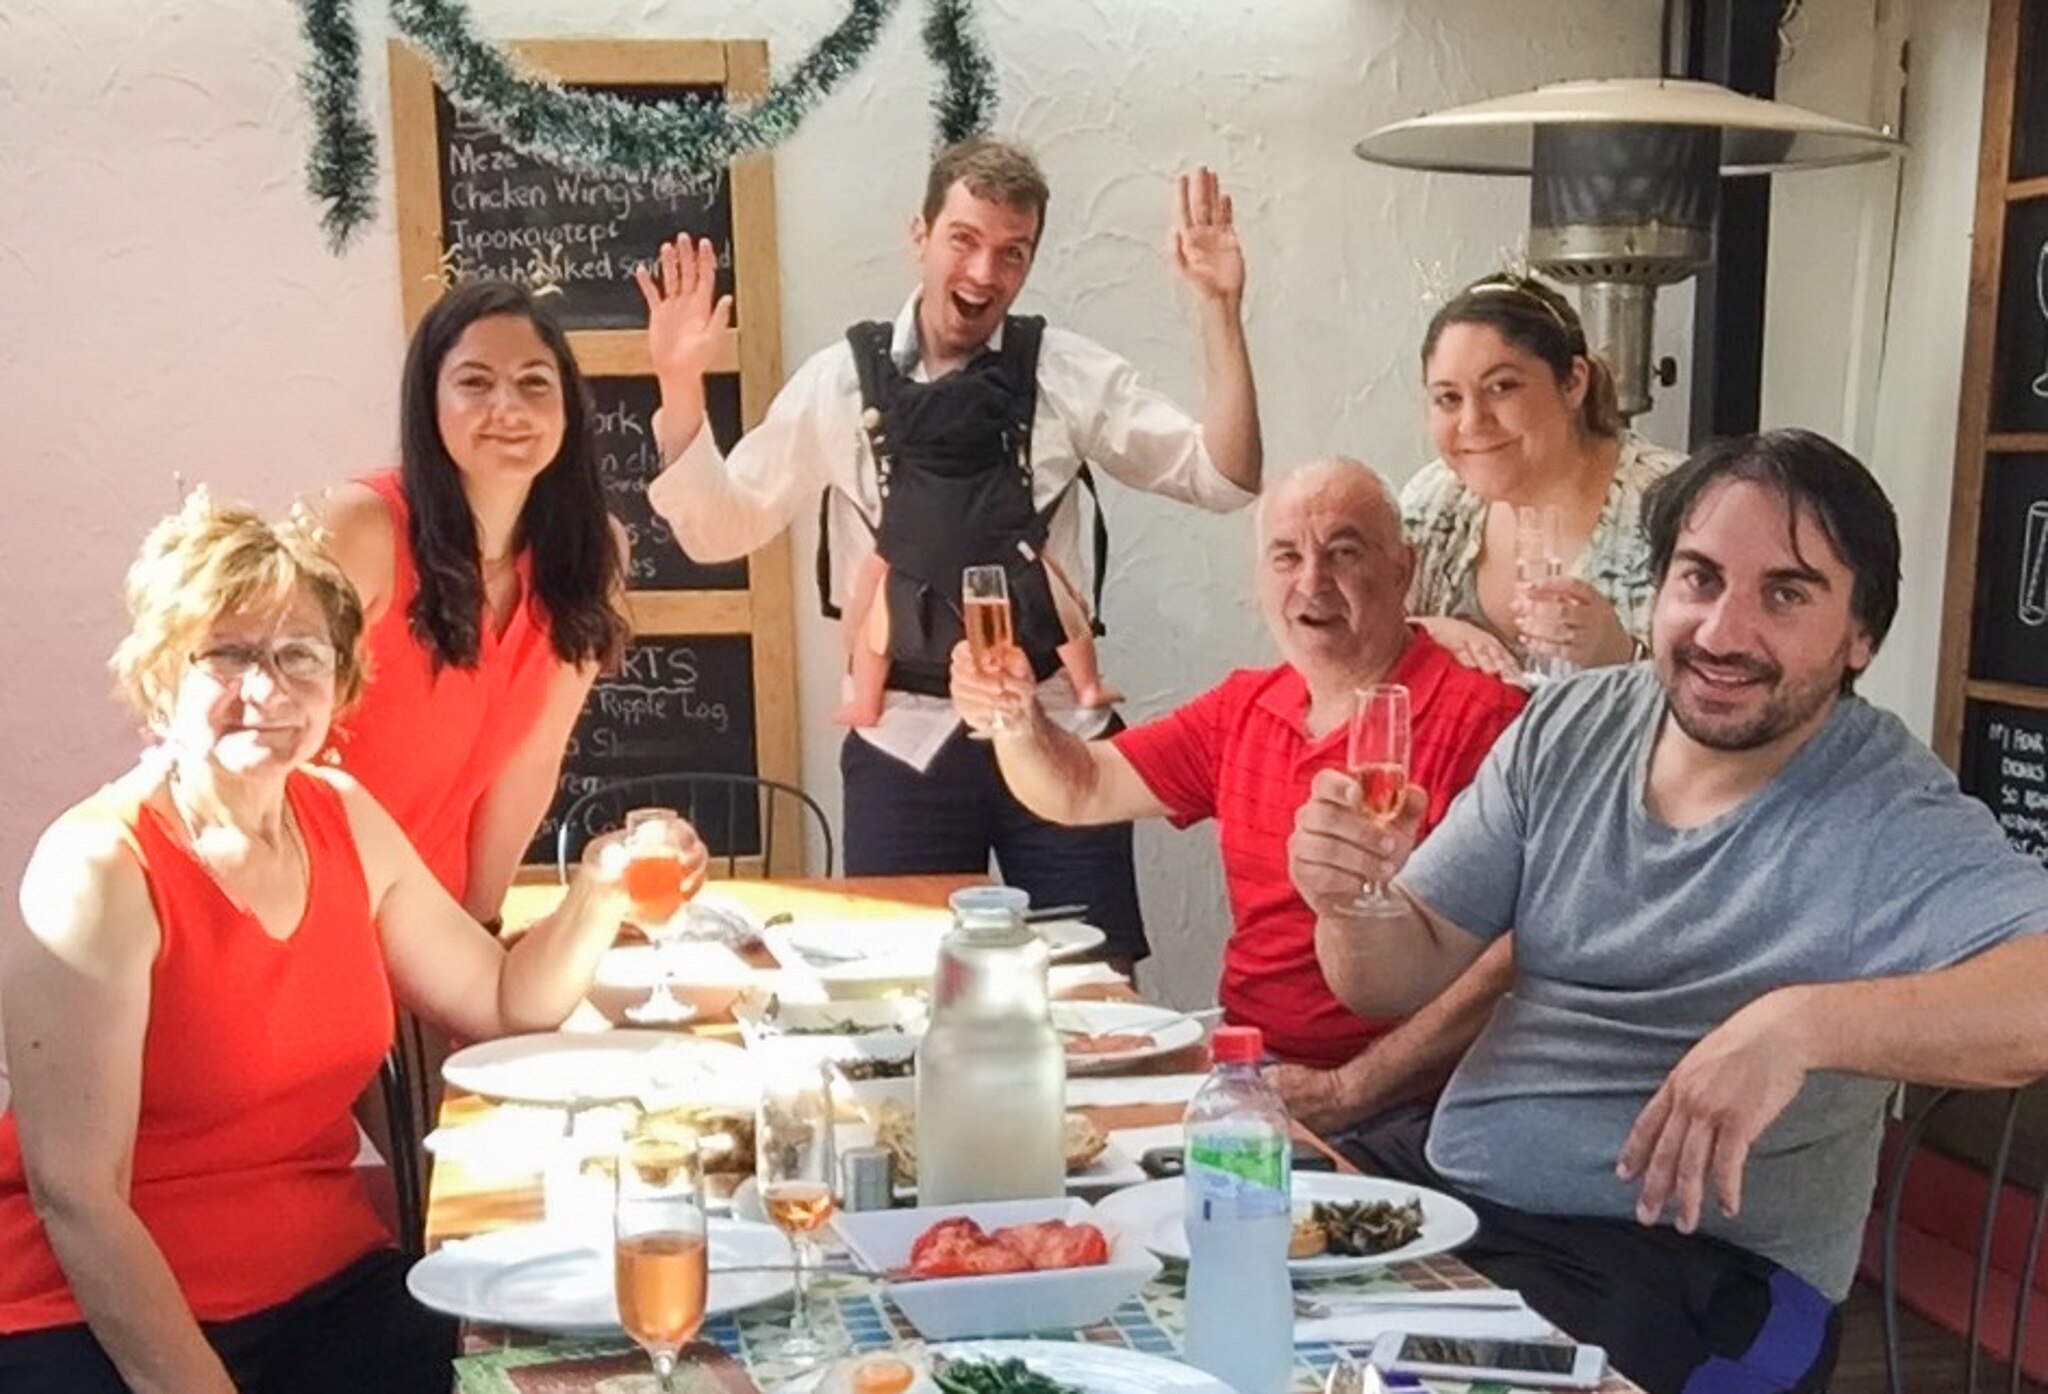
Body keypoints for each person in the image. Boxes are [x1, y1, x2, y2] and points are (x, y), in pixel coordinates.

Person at [1290, 429, 2048, 1394]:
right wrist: (1349, 898)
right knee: (1208, 1248)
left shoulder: (1887, 811)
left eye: (1786, 593)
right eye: (1699, 578)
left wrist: (1801, 1025)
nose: (1725, 633)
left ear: (1862, 634)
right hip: (1454, 1196)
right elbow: (1397, 970)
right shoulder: (1571, 725)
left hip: (1687, 1278)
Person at [0, 492, 705, 1393]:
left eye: (301, 655)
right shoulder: (101, 869)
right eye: (228, 654)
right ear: (159, 678)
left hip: (326, 1293)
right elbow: (77, 1200)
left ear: (340, 686)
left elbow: (500, 1001)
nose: (268, 690)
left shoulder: (341, 818)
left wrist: (600, 888)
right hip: (99, 1324)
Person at [639, 139, 1263, 967]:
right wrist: (680, 387)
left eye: (1013, 253)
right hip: (902, 737)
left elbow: (1224, 476)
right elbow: (719, 529)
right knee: (902, 989)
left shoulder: (1064, 374)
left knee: (1090, 990)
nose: (984, 272)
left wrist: (1220, 311)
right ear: (920, 234)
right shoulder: (839, 383)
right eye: (964, 239)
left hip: (1058, 730)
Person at [951, 459, 1525, 1133]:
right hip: (1252, 1076)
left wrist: (1350, 1090)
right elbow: (1079, 788)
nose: (1312, 582)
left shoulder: (1485, 716)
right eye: (1286, 556)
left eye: (1343, 552)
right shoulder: (1248, 705)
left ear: (1403, 570)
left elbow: (1515, 963)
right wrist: (1016, 719)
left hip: (1403, 1108)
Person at [319, 279, 631, 924]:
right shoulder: (361, 529)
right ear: (428, 400)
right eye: (475, 382)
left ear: (569, 405)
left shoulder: (592, 551)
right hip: (314, 913)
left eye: (534, 382)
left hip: (436, 923)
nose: (508, 408)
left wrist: (480, 926)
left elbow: (530, 764)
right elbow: (267, 736)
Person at [1403, 271, 1684, 680]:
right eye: (1448, 398)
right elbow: (1366, 655)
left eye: (1501, 387)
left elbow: (1742, 708)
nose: (1472, 421)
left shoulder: (1679, 507)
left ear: (1573, 382)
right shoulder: (1433, 502)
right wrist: (1427, 633)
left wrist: (1624, 655)